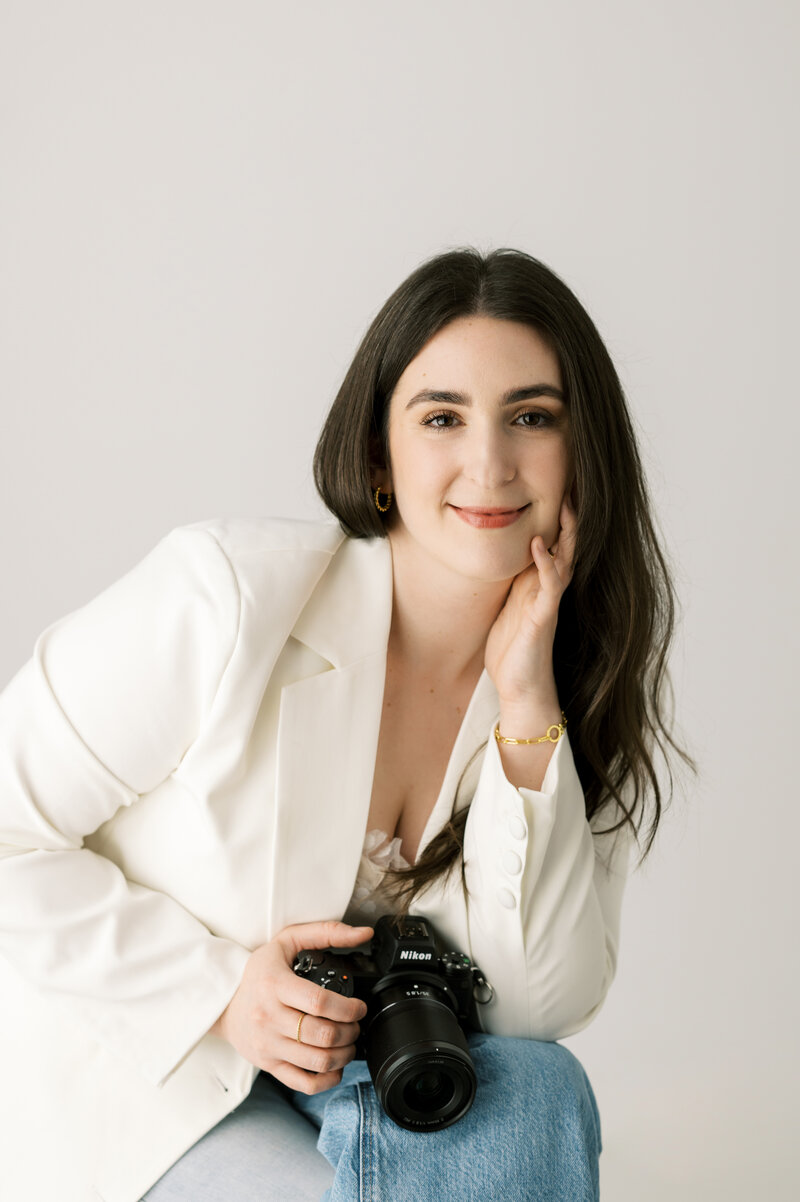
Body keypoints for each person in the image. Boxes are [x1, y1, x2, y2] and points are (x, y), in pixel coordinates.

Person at [0, 247, 688, 1202]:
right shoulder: (229, 599)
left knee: (541, 1091)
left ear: (582, 454)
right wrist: (222, 993)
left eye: (531, 417)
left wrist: (527, 707)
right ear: (379, 455)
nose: (487, 463)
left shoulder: (573, 687)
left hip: (364, 1088)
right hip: (150, 1085)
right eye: (442, 417)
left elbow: (534, 1010)